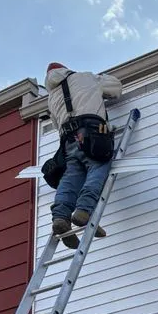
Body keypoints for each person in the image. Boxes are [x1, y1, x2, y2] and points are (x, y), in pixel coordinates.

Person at [44, 63, 122, 248]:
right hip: (92, 130)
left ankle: (61, 217)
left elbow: (56, 124)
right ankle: (84, 211)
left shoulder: (52, 97)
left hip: (68, 139)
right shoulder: (85, 77)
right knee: (98, 164)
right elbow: (115, 88)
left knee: (71, 176)